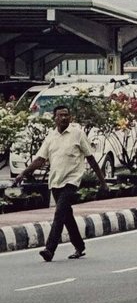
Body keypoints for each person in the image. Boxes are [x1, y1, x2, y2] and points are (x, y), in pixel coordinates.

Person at [22, 105, 106, 262]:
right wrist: (23, 173)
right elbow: (40, 159)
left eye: (66, 115)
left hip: (71, 181)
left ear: (70, 117)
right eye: (60, 115)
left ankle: (49, 249)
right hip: (55, 182)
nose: (64, 118)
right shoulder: (51, 137)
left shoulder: (78, 134)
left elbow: (91, 159)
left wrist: (103, 182)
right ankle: (79, 246)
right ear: (55, 118)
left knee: (59, 213)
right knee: (67, 216)